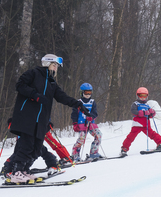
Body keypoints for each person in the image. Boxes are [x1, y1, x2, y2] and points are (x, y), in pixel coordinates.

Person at [8, 54, 91, 184]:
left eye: (57, 66)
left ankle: (24, 171)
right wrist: (35, 95)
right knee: (26, 146)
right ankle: (16, 173)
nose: (56, 68)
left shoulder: (52, 83)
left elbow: (62, 97)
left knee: (36, 148)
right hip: (27, 117)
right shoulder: (33, 73)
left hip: (41, 120)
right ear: (47, 64)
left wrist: (78, 104)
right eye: (54, 65)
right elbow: (20, 85)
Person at [120, 87, 161, 156]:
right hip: (137, 124)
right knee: (131, 137)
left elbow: (151, 115)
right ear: (137, 96)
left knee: (153, 134)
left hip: (146, 125)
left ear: (147, 96)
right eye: (140, 95)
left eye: (144, 96)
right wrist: (142, 113)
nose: (142, 97)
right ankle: (124, 148)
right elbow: (134, 111)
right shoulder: (135, 104)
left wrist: (152, 112)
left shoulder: (147, 105)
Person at [71, 83, 102, 162]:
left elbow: (95, 112)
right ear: (81, 92)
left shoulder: (92, 102)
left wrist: (91, 116)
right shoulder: (78, 102)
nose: (88, 95)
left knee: (98, 135)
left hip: (91, 124)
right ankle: (75, 155)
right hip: (81, 124)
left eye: (90, 93)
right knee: (81, 140)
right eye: (86, 93)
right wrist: (75, 123)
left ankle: (94, 152)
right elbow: (74, 114)